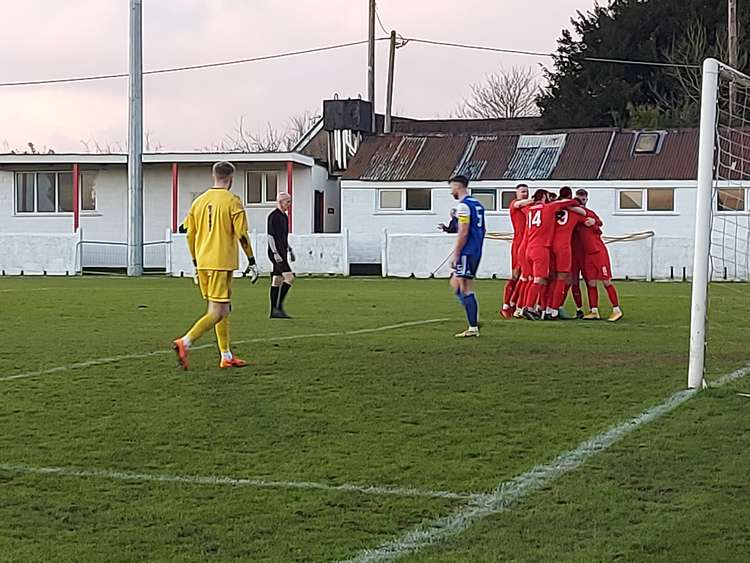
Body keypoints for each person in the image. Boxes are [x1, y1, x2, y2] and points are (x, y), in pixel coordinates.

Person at [173, 161, 258, 370]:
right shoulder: (233, 201)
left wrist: (195, 261)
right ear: (231, 179)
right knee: (217, 311)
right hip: (221, 262)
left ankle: (226, 355)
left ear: (214, 176)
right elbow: (242, 234)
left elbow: (189, 234)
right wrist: (252, 261)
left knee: (223, 308)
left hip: (203, 262)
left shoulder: (198, 202)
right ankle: (185, 342)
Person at [521, 189, 578, 320]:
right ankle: (529, 307)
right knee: (540, 279)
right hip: (541, 248)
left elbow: (521, 206)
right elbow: (571, 202)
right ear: (544, 197)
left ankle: (534, 307)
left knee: (532, 279)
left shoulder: (529, 210)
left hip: (529, 247)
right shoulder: (549, 207)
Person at [575, 189, 623, 322]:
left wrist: (595, 223)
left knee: (606, 280)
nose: (581, 203)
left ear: (587, 200)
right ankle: (594, 311)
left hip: (598, 252)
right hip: (587, 254)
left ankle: (616, 309)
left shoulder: (589, 214)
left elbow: (599, 223)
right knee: (590, 282)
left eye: (583, 200)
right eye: (579, 200)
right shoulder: (574, 215)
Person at [547, 187, 594, 320]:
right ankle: (555, 309)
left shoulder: (551, 208)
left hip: (548, 246)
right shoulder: (575, 212)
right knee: (564, 279)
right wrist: (593, 221)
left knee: (547, 279)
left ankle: (542, 308)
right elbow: (587, 218)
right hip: (565, 248)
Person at [448, 175, 485, 337]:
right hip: (475, 249)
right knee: (455, 284)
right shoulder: (477, 204)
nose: (451, 192)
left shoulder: (463, 206)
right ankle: (473, 317)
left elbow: (463, 232)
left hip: (467, 251)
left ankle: (473, 327)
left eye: (451, 188)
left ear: (458, 186)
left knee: (465, 287)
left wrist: (456, 254)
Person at [500, 184, 530, 319]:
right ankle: (506, 306)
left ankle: (516, 304)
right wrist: (537, 199)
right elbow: (520, 204)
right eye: (523, 192)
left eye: (527, 192)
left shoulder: (529, 207)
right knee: (515, 276)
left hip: (530, 245)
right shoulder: (515, 204)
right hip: (519, 245)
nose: (525, 194)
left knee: (526, 278)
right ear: (517, 194)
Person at [268, 192, 296, 319]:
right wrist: (275, 253)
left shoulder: (284, 217)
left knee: (277, 280)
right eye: (288, 202)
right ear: (281, 201)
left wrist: (289, 249)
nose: (289, 205)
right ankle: (278, 307)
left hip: (283, 252)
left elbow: (283, 237)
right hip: (276, 253)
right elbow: (270, 236)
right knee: (289, 278)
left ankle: (274, 311)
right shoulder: (273, 217)